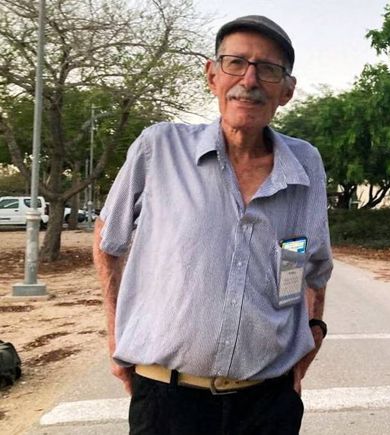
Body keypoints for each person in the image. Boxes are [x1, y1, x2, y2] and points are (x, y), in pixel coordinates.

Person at [93, 15, 333, 435]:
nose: (250, 79)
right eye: (236, 62)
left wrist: (313, 332)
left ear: (287, 92)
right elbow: (108, 240)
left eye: (269, 69)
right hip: (166, 402)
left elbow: (307, 262)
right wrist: (115, 336)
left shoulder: (305, 164)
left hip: (266, 403)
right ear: (212, 74)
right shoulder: (159, 148)